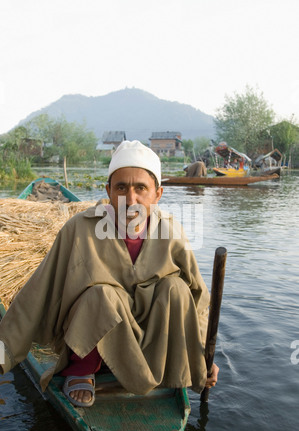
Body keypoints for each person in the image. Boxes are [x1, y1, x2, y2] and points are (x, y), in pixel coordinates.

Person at [0, 140, 218, 407]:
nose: (131, 198)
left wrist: (204, 358)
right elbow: (35, 296)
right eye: (121, 187)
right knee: (101, 294)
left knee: (177, 289)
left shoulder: (171, 232)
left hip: (152, 349)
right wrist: (3, 354)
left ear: (158, 194)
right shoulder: (80, 229)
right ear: (109, 192)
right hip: (93, 344)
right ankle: (82, 369)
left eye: (141, 188)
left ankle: (163, 371)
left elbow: (200, 304)